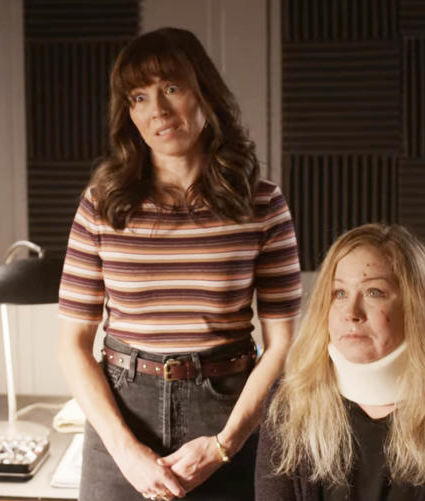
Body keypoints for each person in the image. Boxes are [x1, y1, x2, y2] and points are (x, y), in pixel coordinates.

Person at [56, 27, 301, 501]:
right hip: (124, 412)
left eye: (171, 88)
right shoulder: (101, 205)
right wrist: (125, 450)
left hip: (229, 413)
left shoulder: (262, 204)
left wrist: (224, 445)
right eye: (139, 97)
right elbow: (73, 344)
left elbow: (283, 345)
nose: (158, 111)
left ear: (203, 92)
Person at [256, 223, 425, 500]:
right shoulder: (290, 401)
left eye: (373, 292)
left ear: (417, 308)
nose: (351, 313)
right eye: (339, 294)